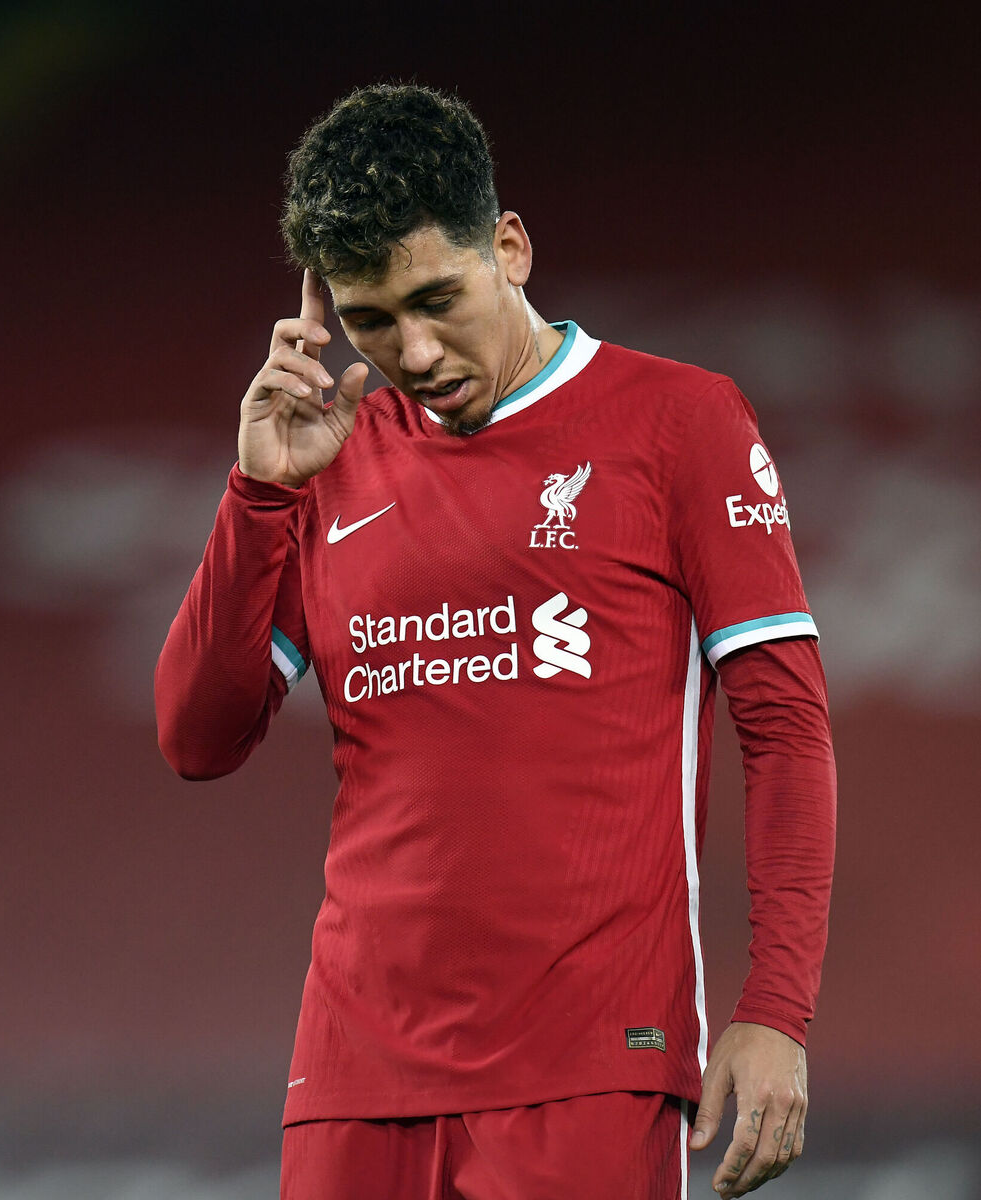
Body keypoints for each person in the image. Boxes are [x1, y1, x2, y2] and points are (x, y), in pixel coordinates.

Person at [155, 84, 836, 1199]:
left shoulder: (679, 421)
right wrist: (258, 495)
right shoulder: (327, 460)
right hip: (351, 1067)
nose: (414, 350)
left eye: (438, 297)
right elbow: (197, 736)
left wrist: (774, 1012)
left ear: (508, 247)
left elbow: (784, 730)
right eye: (373, 320)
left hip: (587, 1064)